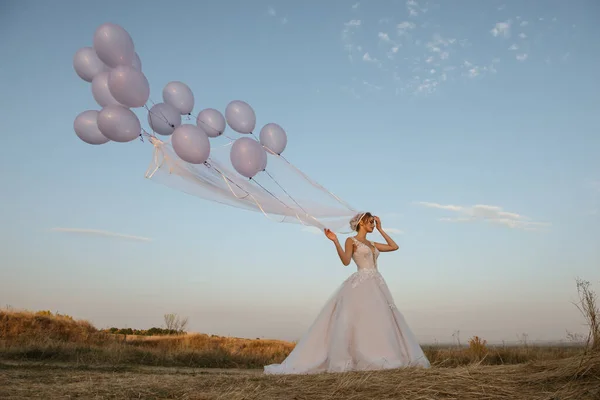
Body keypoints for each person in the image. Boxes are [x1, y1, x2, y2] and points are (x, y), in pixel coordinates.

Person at [263, 212, 430, 375]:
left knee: (379, 319)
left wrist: (381, 229)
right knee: (356, 320)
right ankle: (357, 358)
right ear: (361, 223)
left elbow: (394, 247)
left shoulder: (372, 243)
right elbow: (345, 261)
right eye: (370, 222)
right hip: (360, 284)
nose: (372, 224)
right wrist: (335, 241)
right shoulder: (351, 240)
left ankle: (382, 356)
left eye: (373, 222)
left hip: (376, 283)